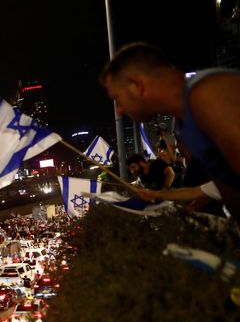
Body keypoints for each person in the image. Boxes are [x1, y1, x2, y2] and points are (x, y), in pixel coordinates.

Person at [100, 42, 240, 218]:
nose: (118, 110)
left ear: (137, 85)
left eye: (117, 98)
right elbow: (223, 184)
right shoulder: (185, 123)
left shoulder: (207, 95)